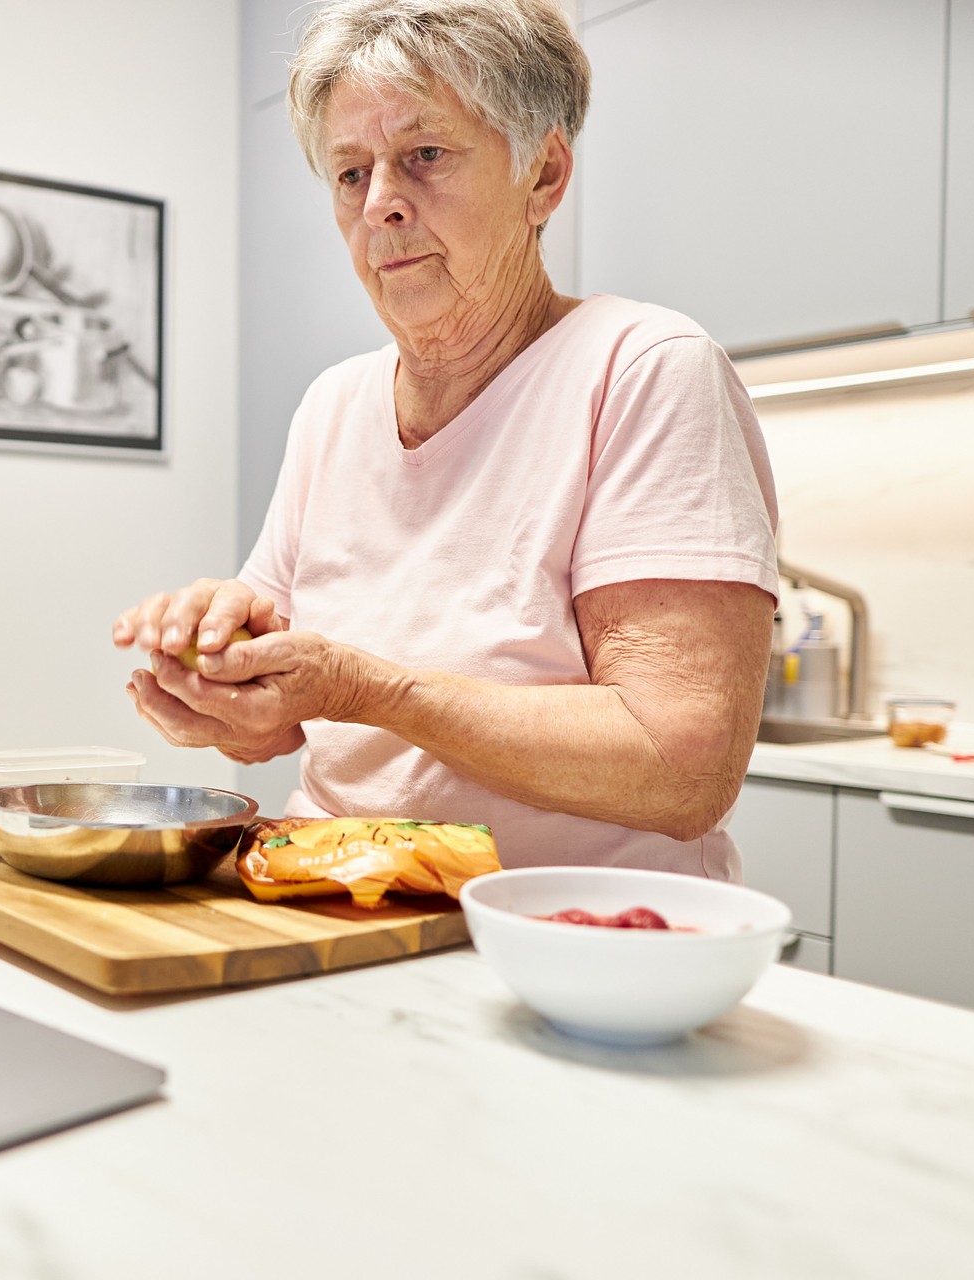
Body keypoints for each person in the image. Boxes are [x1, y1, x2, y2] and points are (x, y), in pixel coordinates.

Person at [113, 0, 778, 879]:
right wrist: (209, 671)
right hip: (327, 897)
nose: (381, 204)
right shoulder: (333, 404)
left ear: (543, 174)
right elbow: (277, 722)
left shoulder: (644, 367)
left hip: (565, 934)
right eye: (351, 174)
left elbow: (679, 767)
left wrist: (365, 688)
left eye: (424, 156)